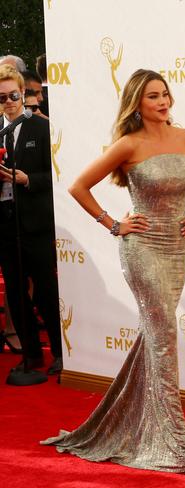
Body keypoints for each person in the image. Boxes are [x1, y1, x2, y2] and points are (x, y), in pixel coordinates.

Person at [41, 69, 185, 473]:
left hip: (178, 247)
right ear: (137, 103)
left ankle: (136, 426)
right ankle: (173, 440)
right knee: (164, 335)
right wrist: (113, 223)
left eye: (165, 95)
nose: (163, 102)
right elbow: (78, 186)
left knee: (155, 334)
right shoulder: (128, 144)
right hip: (141, 249)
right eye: (153, 96)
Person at [0, 65, 62, 376]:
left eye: (13, 95)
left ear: (24, 94)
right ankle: (32, 355)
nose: (9, 102)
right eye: (2, 97)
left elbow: (57, 176)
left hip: (35, 224)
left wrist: (27, 179)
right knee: (14, 291)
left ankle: (60, 351)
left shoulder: (41, 129)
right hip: (6, 226)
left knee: (47, 290)